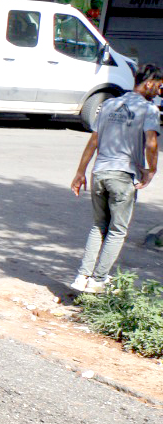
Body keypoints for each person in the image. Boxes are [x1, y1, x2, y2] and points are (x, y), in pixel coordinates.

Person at [70, 66, 162, 293]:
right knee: (117, 230)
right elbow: (151, 144)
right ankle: (98, 280)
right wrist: (151, 170)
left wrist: (80, 172)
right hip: (122, 175)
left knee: (98, 225)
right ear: (149, 83)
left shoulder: (109, 104)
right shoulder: (148, 110)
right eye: (159, 86)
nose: (159, 92)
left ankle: (82, 277)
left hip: (99, 173)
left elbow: (93, 142)